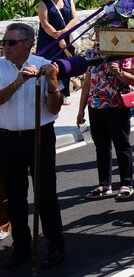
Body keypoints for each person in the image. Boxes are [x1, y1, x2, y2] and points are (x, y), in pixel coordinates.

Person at [0, 23, 65, 269]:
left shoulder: (44, 63)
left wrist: (52, 82)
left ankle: (55, 245)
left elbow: (54, 107)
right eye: (4, 43)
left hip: (39, 135)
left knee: (46, 194)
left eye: (11, 43)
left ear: (27, 43)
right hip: (7, 137)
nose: (6, 47)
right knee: (15, 197)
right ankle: (22, 247)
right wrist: (18, 82)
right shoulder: (0, 67)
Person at [77, 45, 134, 200]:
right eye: (97, 32)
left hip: (117, 105)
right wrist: (81, 109)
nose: (98, 36)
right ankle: (104, 184)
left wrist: (118, 71)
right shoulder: (92, 53)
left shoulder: (123, 51)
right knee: (101, 147)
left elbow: (133, 79)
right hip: (96, 105)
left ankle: (126, 183)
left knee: (122, 144)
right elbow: (87, 83)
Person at [37, 0, 78, 98]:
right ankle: (50, 94)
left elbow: (74, 18)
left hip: (66, 38)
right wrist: (59, 38)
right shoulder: (44, 4)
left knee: (65, 66)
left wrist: (65, 31)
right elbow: (45, 24)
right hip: (49, 41)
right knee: (51, 66)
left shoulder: (68, 0)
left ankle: (63, 95)